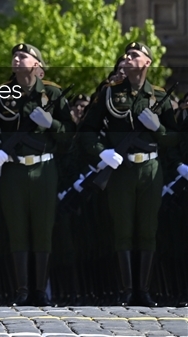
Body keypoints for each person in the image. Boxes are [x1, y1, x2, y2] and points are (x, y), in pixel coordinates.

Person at [78, 42, 177, 307]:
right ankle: (126, 290)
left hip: (149, 169)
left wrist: (159, 129)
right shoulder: (109, 94)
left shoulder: (158, 96)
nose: (127, 57)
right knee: (123, 229)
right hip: (120, 169)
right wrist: (102, 152)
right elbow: (87, 130)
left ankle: (143, 290)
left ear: (147, 62)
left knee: (147, 230)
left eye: (134, 55)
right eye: (126, 54)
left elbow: (174, 140)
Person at [0, 43, 72, 306]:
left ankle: (39, 291)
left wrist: (51, 123)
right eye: (14, 56)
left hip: (44, 168)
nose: (17, 59)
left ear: (38, 65)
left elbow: (71, 134)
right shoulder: (1, 95)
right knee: (17, 228)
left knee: (42, 229)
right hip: (13, 169)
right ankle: (21, 290)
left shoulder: (53, 94)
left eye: (23, 55)